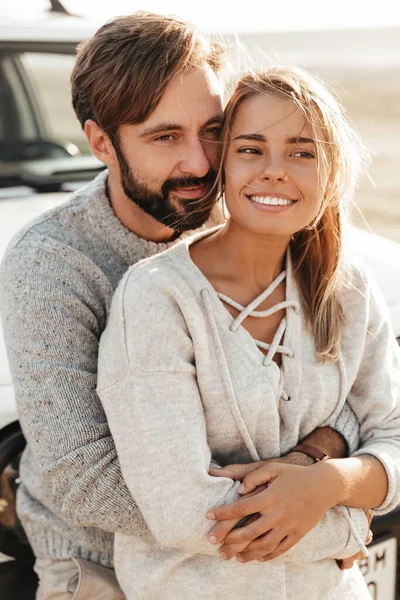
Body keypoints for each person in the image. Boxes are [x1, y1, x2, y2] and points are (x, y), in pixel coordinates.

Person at [0, 13, 357, 600]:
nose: (199, 164)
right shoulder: (52, 262)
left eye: (213, 131)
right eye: (164, 137)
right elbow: (83, 478)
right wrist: (299, 518)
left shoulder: (256, 215)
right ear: (100, 143)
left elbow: (354, 396)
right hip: (105, 564)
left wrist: (315, 465)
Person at [97, 65, 400, 599]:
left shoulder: (349, 289)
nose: (275, 172)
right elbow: (183, 512)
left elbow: (393, 434)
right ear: (222, 165)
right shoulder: (157, 297)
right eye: (251, 149)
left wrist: (330, 483)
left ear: (330, 170)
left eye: (302, 152)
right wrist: (348, 524)